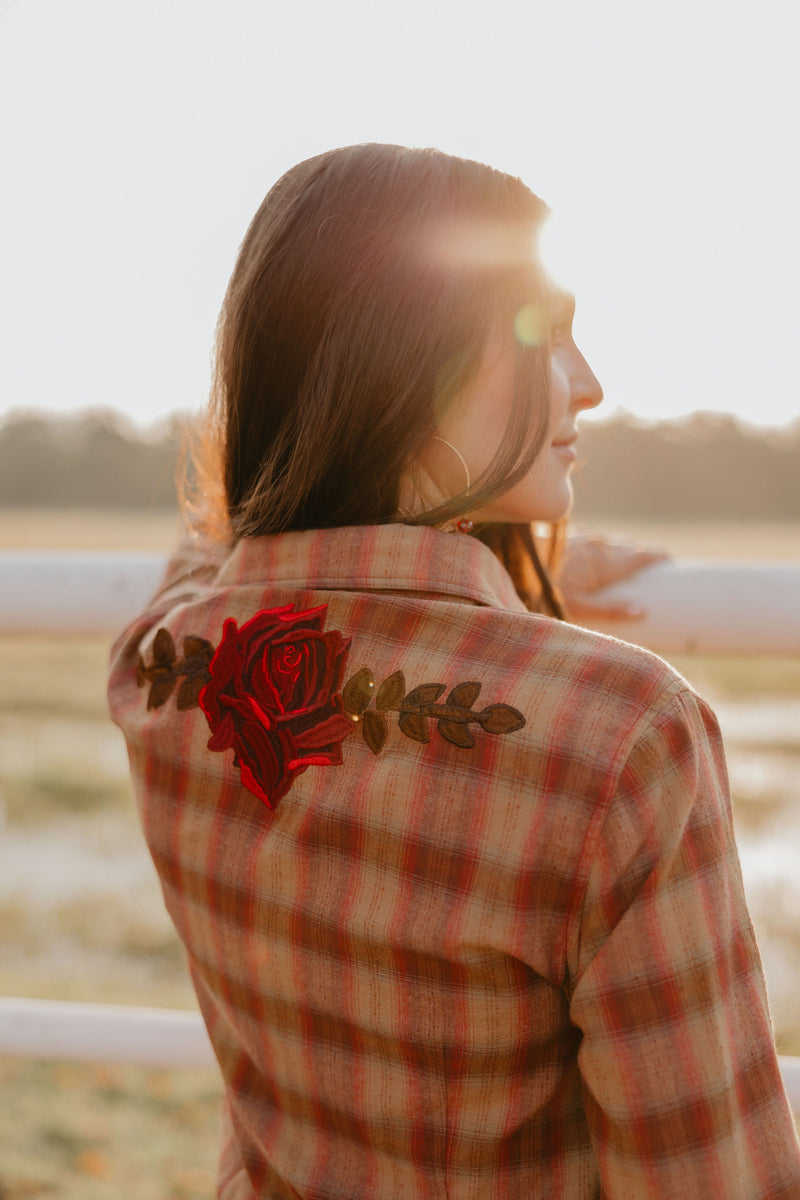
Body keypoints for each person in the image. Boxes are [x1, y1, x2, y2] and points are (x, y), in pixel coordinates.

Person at [108, 144, 800, 1199]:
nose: (590, 383)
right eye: (544, 334)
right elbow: (712, 1179)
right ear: (407, 362)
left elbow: (213, 541)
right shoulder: (619, 732)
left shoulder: (164, 666)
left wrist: (488, 538)